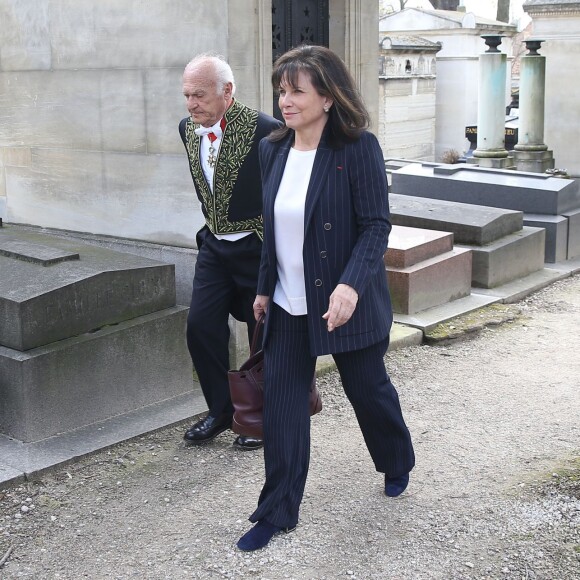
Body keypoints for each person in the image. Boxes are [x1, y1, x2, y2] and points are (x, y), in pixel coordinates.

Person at [236, 45, 415, 551]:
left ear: (328, 97)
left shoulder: (357, 148)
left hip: (343, 304)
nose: (284, 100)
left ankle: (396, 458)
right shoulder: (272, 148)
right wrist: (265, 289)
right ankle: (277, 511)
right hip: (289, 303)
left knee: (368, 391)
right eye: (281, 90)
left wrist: (350, 284)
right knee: (283, 408)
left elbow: (377, 226)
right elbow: (271, 230)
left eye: (296, 90)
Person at [178, 54, 282, 450]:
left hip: (258, 247)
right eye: (187, 95)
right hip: (215, 246)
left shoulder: (267, 130)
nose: (192, 104)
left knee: (264, 334)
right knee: (200, 327)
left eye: (200, 95)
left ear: (228, 91)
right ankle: (222, 411)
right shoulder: (187, 129)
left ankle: (259, 416)